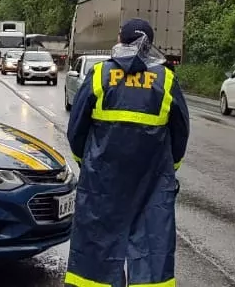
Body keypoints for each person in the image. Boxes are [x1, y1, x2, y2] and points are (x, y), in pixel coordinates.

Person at [65, 18, 190, 287]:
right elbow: (180, 133)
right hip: (152, 182)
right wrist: (171, 168)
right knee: (151, 246)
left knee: (96, 248)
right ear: (150, 45)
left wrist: (86, 163)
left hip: (102, 181)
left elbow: (76, 129)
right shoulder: (165, 80)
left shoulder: (99, 75)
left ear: (120, 40)